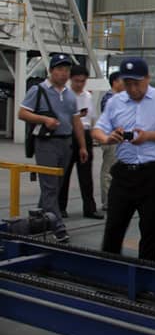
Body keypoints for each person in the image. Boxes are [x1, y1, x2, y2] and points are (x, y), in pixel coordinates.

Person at [93, 57, 155, 261]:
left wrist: (148, 136)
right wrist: (108, 138)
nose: (133, 89)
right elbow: (97, 130)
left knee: (151, 230)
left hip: (154, 174)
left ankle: (147, 274)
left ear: (147, 78)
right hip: (124, 173)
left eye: (137, 83)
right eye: (128, 83)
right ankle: (109, 271)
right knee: (113, 229)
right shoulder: (115, 102)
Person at [18, 53, 88, 243]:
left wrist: (82, 146)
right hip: (46, 144)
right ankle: (58, 227)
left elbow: (76, 122)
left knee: (55, 186)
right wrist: (44, 119)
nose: (64, 73)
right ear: (51, 71)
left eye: (66, 70)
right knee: (50, 186)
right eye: (59, 69)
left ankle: (38, 221)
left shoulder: (70, 95)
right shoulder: (38, 90)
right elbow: (22, 113)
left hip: (66, 144)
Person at [58, 65, 103, 219]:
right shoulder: (64, 95)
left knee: (86, 175)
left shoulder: (88, 96)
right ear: (71, 79)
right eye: (77, 81)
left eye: (83, 81)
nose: (79, 84)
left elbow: (91, 118)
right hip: (69, 135)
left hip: (85, 134)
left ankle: (90, 209)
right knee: (64, 174)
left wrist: (91, 136)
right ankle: (60, 207)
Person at [99, 71, 125, 211]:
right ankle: (108, 202)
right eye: (123, 80)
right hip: (111, 139)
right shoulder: (109, 98)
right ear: (115, 82)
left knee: (118, 170)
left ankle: (116, 200)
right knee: (109, 171)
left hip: (120, 139)